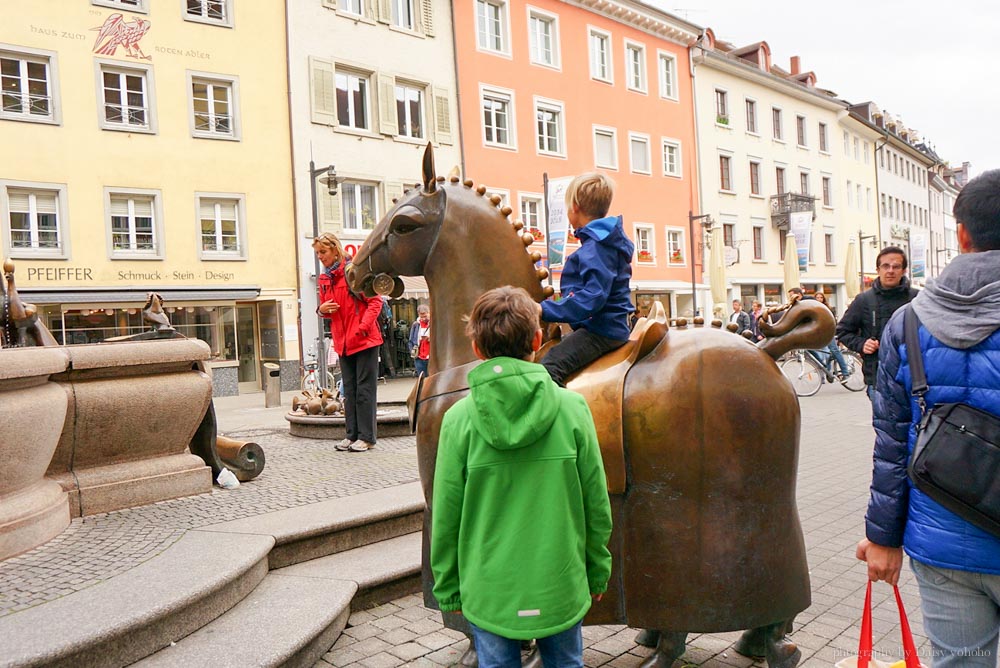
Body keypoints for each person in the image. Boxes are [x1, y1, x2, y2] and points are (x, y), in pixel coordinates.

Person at [856, 169, 1000, 666]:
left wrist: (882, 538)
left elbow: (891, 445)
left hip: (939, 540)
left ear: (961, 233)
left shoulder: (909, 321)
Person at [431, 286, 613, 668]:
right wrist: (597, 570)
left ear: (477, 349)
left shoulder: (457, 420)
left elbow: (445, 513)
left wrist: (448, 587)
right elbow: (596, 500)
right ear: (536, 339)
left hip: (490, 587)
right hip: (559, 580)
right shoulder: (573, 408)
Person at [539, 172, 634, 386]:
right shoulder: (601, 243)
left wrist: (544, 310)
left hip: (602, 331)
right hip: (603, 327)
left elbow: (592, 298)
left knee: (547, 370)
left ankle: (565, 417)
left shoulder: (597, 248)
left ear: (574, 207)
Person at [313, 232, 384, 452]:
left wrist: (362, 328)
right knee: (349, 391)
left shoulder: (354, 272)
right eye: (317, 253)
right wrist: (321, 310)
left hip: (364, 341)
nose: (320, 257)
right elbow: (327, 307)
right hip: (343, 342)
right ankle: (351, 436)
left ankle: (367, 437)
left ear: (335, 249)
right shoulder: (325, 278)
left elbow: (375, 301)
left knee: (365, 390)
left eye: (323, 252)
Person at [835, 246, 918, 400]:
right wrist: (862, 344)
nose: (890, 270)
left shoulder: (918, 299)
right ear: (878, 269)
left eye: (896, 266)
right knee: (885, 424)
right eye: (885, 266)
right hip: (878, 378)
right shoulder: (864, 300)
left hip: (914, 378)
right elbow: (843, 331)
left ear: (904, 270)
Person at [812, 291, 849, 380]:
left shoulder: (828, 309)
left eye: (821, 297)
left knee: (834, 350)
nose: (819, 299)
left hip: (829, 331)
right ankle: (826, 368)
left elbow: (833, 322)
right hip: (818, 333)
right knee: (810, 349)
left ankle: (845, 372)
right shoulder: (813, 309)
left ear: (823, 299)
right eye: (817, 298)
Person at [408, 304, 431, 378]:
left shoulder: (434, 324)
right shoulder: (416, 325)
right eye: (421, 317)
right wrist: (412, 351)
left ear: (429, 313)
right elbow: (411, 340)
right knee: (422, 379)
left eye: (425, 316)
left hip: (431, 357)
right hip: (419, 357)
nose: (423, 318)